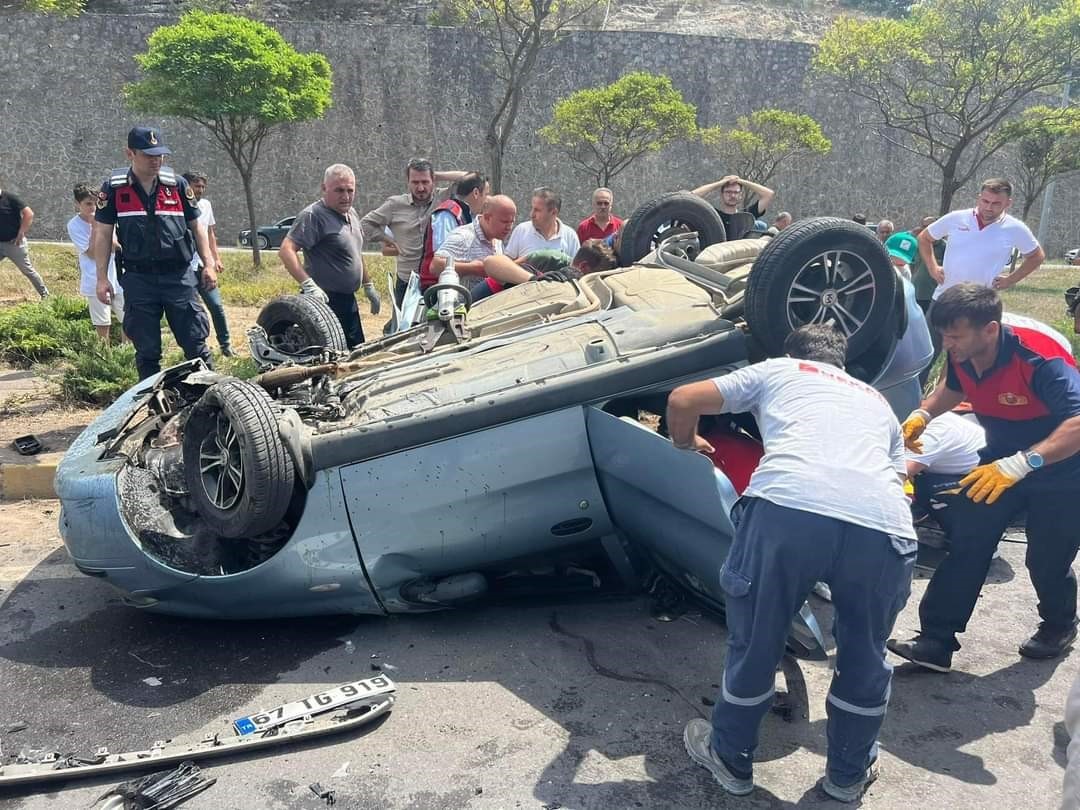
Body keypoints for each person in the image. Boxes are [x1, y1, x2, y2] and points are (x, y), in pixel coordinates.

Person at [668, 323, 916, 802]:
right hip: (884, 526)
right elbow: (899, 474)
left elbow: (682, 399)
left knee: (757, 642)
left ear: (790, 350)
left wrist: (686, 444)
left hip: (789, 509)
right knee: (865, 656)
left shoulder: (781, 370)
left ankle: (731, 757)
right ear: (843, 363)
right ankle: (847, 776)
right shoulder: (878, 401)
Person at [889, 284, 1080, 672]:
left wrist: (1024, 464)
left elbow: (1078, 423)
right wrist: (924, 414)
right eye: (943, 335)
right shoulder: (962, 350)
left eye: (954, 336)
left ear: (990, 330)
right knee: (968, 542)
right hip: (998, 461)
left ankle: (1059, 624)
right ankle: (936, 641)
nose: (948, 344)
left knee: (1045, 559)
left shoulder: (1040, 360)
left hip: (1062, 470)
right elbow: (953, 387)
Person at [91, 126, 213, 380]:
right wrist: (101, 278)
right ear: (130, 154)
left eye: (160, 154)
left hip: (178, 276)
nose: (156, 160)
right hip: (139, 278)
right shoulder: (114, 189)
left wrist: (209, 263)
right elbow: (102, 234)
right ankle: (156, 407)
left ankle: (209, 401)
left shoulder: (177, 185)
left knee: (195, 344)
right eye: (148, 154)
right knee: (147, 351)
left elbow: (198, 227)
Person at [917, 179, 1046, 388]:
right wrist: (933, 267)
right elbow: (924, 238)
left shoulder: (1015, 228)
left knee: (963, 360)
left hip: (978, 305)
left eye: (996, 203)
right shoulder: (957, 218)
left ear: (1007, 203)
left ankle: (945, 401)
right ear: (979, 198)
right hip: (944, 298)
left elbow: (1037, 256)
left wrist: (1010, 280)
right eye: (985, 201)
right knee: (924, 352)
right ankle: (913, 399)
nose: (988, 207)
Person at [279, 164, 379, 350]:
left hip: (348, 301)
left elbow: (355, 252)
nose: (346, 196)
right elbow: (286, 250)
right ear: (324, 188)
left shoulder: (352, 213)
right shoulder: (313, 216)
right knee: (328, 359)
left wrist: (368, 285)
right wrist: (308, 285)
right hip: (324, 301)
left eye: (350, 190)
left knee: (356, 353)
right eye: (339, 190)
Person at [360, 159, 467, 307]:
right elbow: (365, 224)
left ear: (433, 181)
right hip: (407, 281)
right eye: (415, 182)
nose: (421, 187)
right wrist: (386, 239)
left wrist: (437, 175)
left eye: (425, 181)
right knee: (403, 328)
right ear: (408, 182)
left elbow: (469, 177)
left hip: (437, 280)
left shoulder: (443, 197)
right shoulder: (395, 204)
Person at [183, 171, 233, 356]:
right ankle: (198, 348)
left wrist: (215, 258)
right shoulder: (177, 206)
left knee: (216, 306)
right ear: (186, 186)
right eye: (197, 186)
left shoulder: (206, 205)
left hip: (204, 265)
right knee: (191, 310)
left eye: (203, 187)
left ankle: (226, 345)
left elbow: (210, 233)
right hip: (184, 266)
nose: (201, 190)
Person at [472, 239, 618, 302]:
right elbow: (491, 262)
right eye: (594, 277)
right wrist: (534, 281)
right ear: (584, 267)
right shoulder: (532, 275)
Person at [68, 184, 124, 341]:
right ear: (77, 204)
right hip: (94, 279)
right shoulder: (74, 225)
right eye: (88, 203)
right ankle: (104, 358)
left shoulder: (109, 219)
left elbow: (116, 248)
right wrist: (96, 228)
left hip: (118, 277)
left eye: (95, 203)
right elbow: (92, 253)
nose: (93, 207)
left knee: (128, 320)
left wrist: (104, 227)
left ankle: (128, 356)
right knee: (102, 323)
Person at [416, 172, 489, 292]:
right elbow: (444, 256)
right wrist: (474, 267)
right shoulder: (447, 214)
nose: (487, 200)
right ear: (476, 193)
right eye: (486, 194)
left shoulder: (466, 214)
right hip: (437, 289)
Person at [429, 195, 517, 282]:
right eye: (505, 222)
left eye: (512, 222)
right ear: (487, 218)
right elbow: (435, 266)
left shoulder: (497, 239)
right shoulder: (463, 237)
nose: (509, 227)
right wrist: (471, 268)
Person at [0, 182, 48, 299]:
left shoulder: (10, 198)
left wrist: (22, 232)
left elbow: (29, 213)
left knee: (27, 271)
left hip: (14, 243)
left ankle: (45, 295)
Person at [504, 188, 580, 260]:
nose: (532, 214)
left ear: (553, 212)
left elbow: (576, 270)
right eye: (532, 208)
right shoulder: (521, 230)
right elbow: (507, 264)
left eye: (537, 210)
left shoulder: (570, 236)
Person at [692, 175, 774, 240]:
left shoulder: (747, 216)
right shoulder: (713, 215)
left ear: (741, 195)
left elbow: (768, 194)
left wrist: (740, 181)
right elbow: (690, 196)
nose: (732, 195)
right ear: (721, 194)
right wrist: (720, 183)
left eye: (736, 192)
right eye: (728, 192)